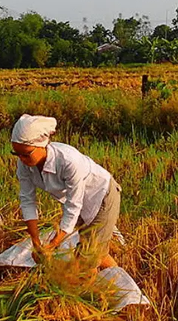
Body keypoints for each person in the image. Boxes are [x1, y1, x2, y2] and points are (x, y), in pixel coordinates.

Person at [11, 114, 121, 270]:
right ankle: (119, 281)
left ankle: (93, 284)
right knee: (93, 250)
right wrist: (36, 242)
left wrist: (53, 244)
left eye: (26, 154)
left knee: (85, 260)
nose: (21, 159)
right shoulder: (24, 165)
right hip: (80, 202)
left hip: (101, 196)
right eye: (17, 154)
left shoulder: (68, 160)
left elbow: (73, 206)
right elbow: (27, 200)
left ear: (42, 145)